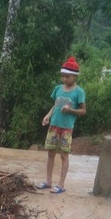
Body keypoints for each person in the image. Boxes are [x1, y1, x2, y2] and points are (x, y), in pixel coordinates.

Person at [35, 57, 86, 194]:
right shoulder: (58, 88)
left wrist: (70, 110)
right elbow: (55, 106)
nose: (64, 79)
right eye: (63, 76)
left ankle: (61, 184)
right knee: (50, 154)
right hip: (54, 125)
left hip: (67, 128)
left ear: (75, 76)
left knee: (64, 156)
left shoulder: (79, 92)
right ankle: (48, 181)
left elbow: (83, 111)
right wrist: (48, 116)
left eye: (67, 76)